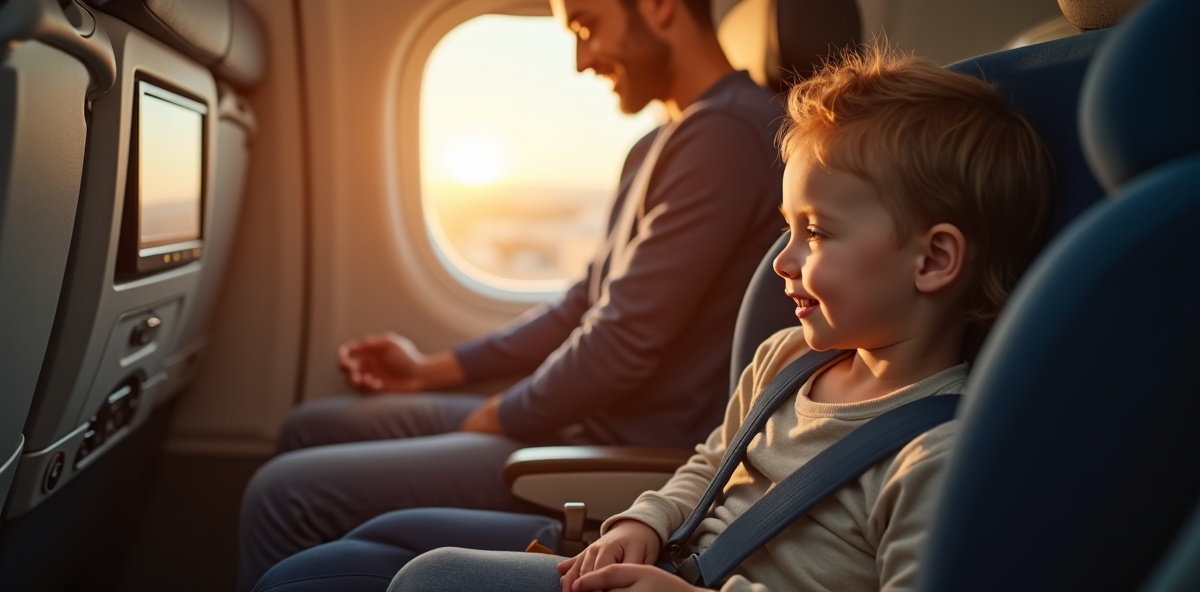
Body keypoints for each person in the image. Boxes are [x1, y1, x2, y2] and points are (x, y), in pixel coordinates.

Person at [248, 42, 1056, 592]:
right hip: (672, 558)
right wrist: (646, 518)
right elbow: (710, 465)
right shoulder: (788, 360)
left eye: (814, 233)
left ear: (933, 260)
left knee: (428, 578)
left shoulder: (933, 457)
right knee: (384, 562)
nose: (781, 262)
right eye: (786, 229)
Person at [237, 0, 800, 587]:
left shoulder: (726, 136)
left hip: (612, 452)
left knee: (281, 496)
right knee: (310, 428)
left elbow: (620, 345)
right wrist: (434, 370)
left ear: (660, 7)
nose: (581, 59)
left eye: (587, 26)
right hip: (575, 424)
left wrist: (498, 414)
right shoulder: (665, 139)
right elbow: (582, 305)